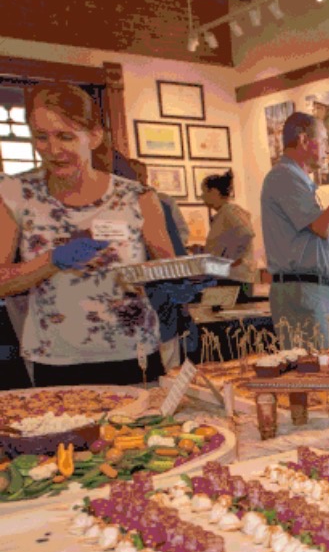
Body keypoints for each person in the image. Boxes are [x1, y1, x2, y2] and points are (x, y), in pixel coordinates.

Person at [0, 83, 174, 386]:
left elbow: (167, 269)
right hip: (56, 358)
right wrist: (53, 260)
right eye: (41, 137)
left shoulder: (138, 197)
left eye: (65, 136)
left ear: (94, 137)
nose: (53, 150)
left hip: (133, 354)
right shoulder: (16, 195)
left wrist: (182, 281)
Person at [261, 111, 329, 350]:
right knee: (320, 371)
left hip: (313, 290)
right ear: (302, 140)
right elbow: (322, 227)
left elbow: (303, 237)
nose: (328, 149)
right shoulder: (284, 177)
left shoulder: (294, 178)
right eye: (324, 140)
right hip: (303, 291)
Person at [200, 169, 257, 285]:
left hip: (234, 278)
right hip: (228, 276)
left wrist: (235, 260)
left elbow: (246, 233)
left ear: (214, 192)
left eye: (204, 192)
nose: (202, 196)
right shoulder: (223, 214)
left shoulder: (230, 212)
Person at [129, 157, 188, 257]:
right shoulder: (124, 201)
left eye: (142, 175)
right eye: (136, 175)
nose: (140, 179)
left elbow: (181, 230)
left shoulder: (165, 201)